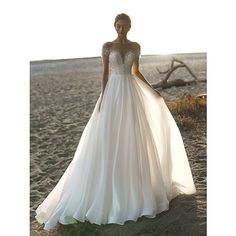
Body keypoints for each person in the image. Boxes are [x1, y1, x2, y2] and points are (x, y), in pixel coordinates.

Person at [35, 13, 196, 231]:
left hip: (131, 93)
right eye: (118, 26)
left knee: (134, 138)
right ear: (114, 26)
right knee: (107, 140)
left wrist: (153, 90)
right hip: (113, 94)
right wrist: (102, 97)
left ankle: (137, 188)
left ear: (130, 27)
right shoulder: (107, 46)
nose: (121, 29)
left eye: (124, 26)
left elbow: (135, 72)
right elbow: (105, 74)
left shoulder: (135, 46)